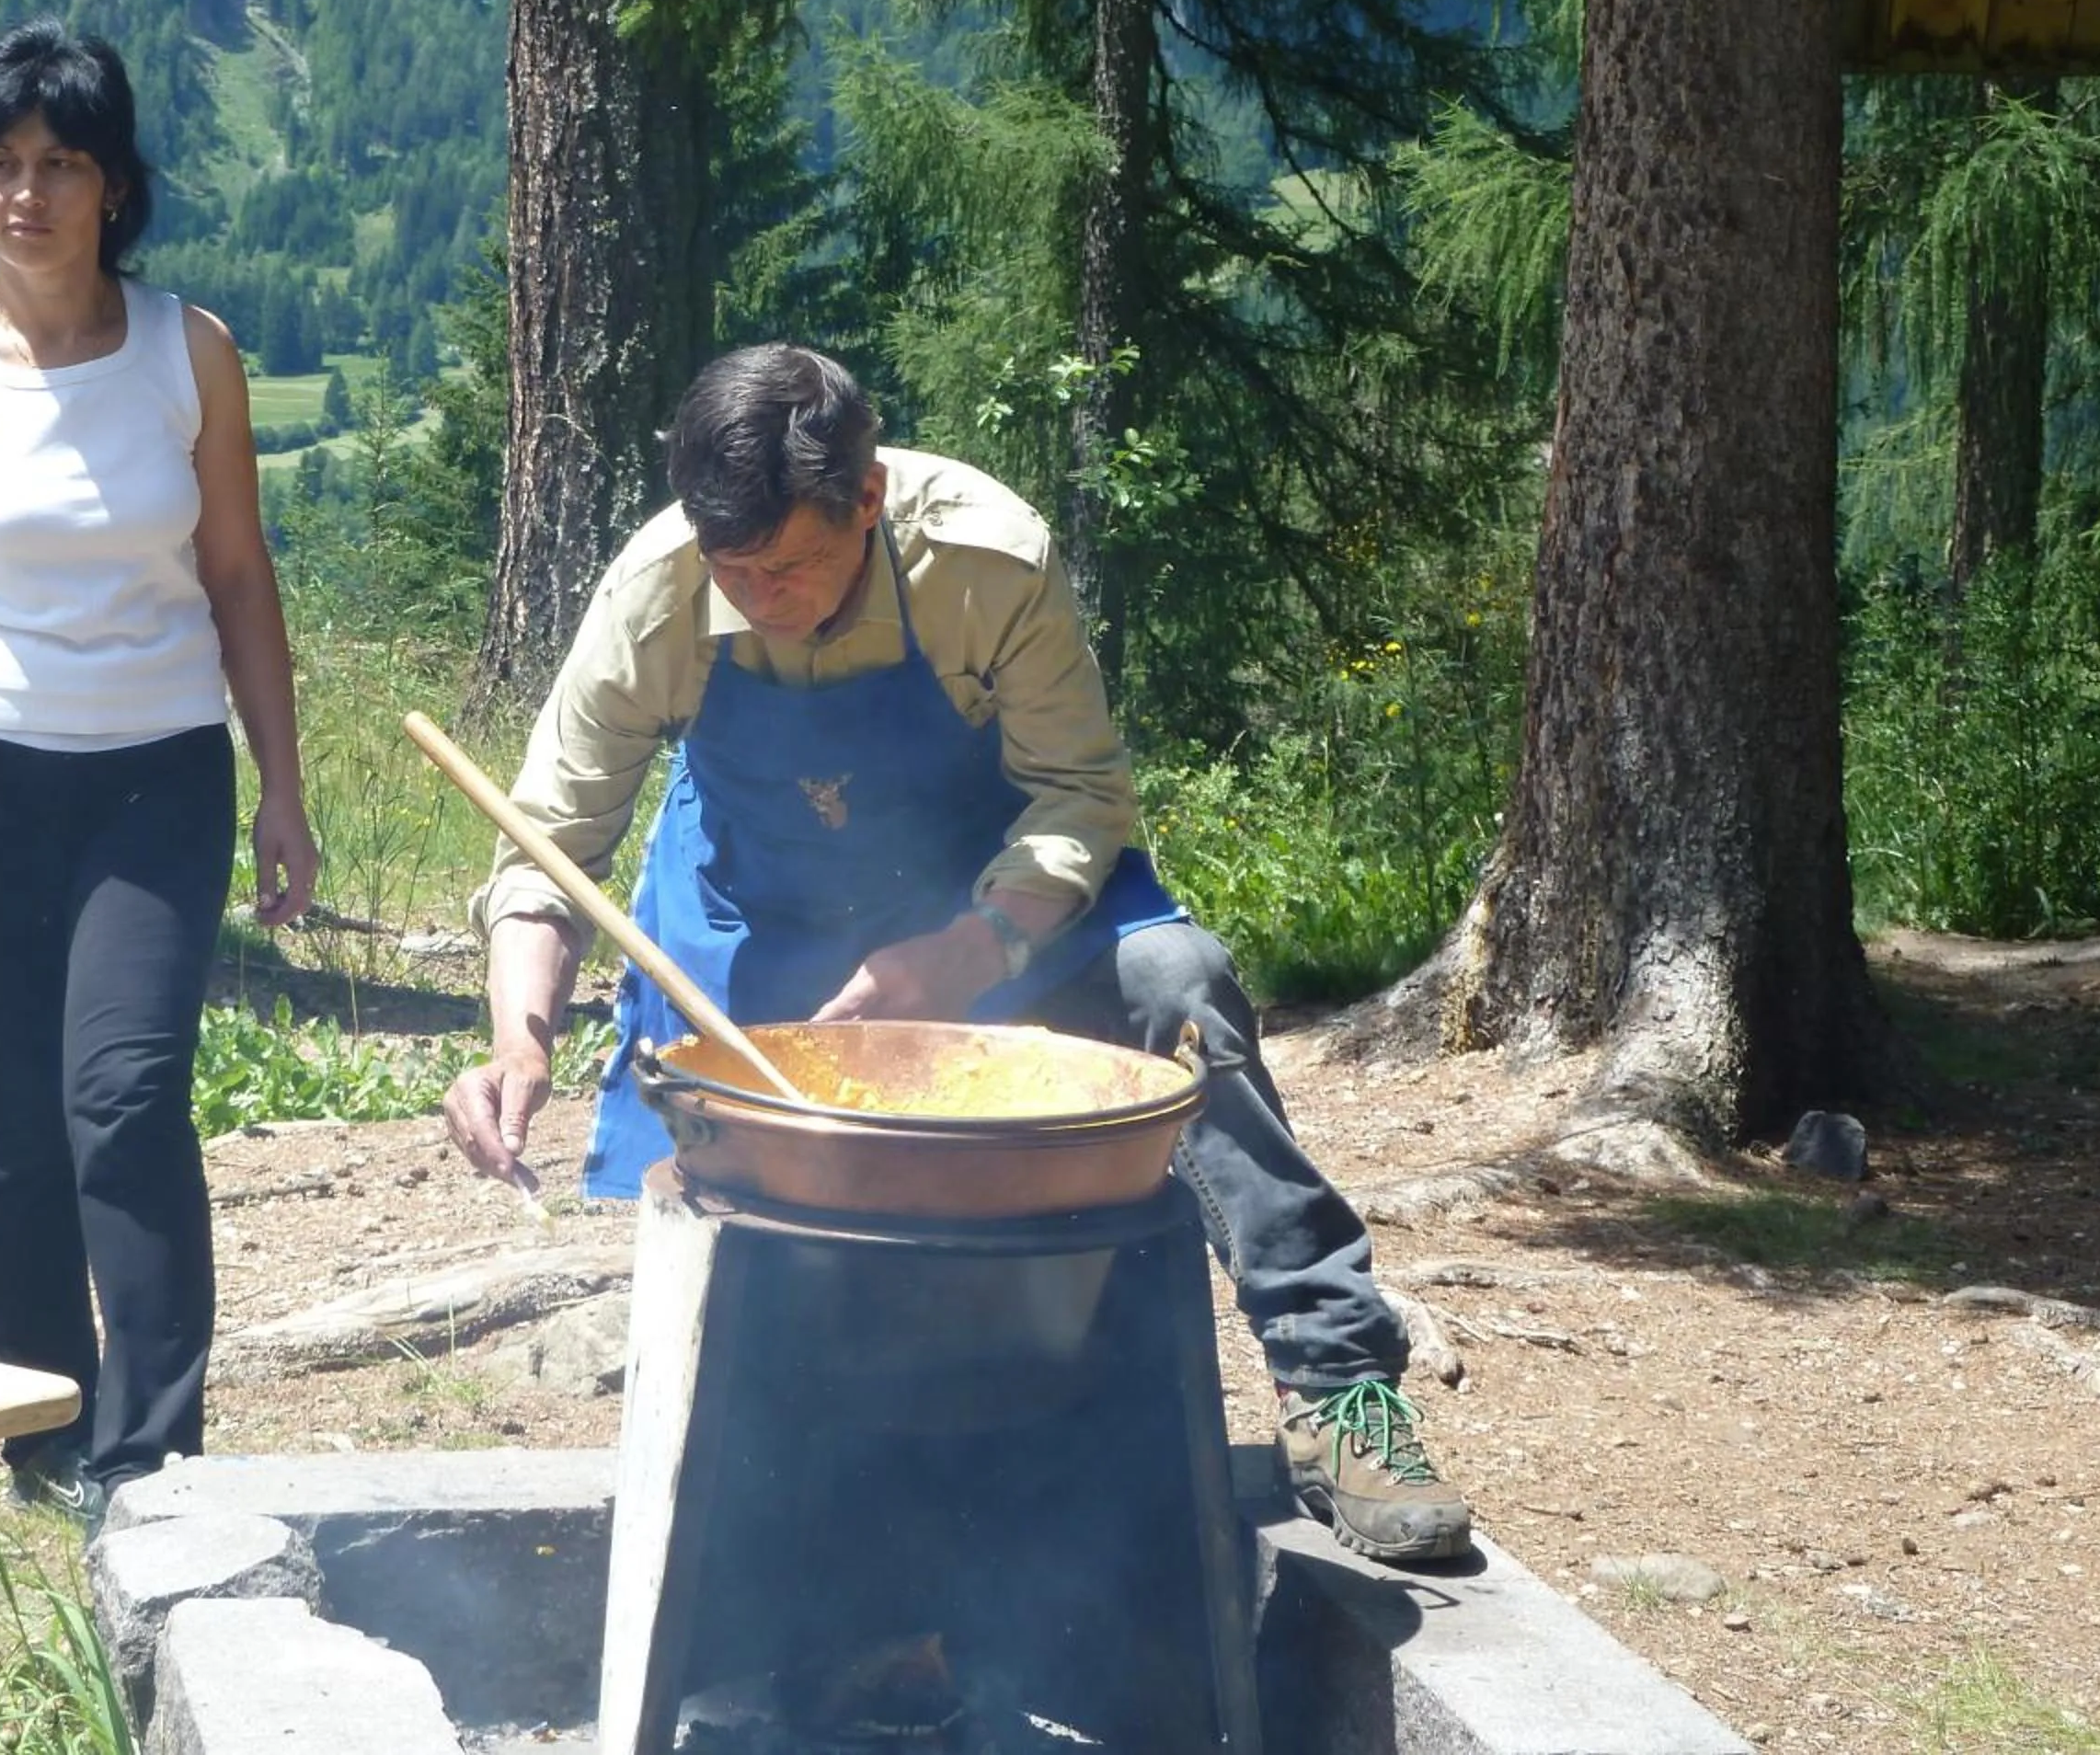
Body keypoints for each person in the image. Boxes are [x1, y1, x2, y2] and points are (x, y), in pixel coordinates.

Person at [439, 343, 1471, 1566]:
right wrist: (519, 1040)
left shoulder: (987, 557)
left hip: (1004, 903)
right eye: (734, 570)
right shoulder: (655, 592)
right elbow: (548, 846)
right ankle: (788, 1505)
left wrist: (969, 951)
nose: (760, 597)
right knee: (758, 1175)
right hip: (765, 923)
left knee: (1176, 985)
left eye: (791, 568)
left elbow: (1080, 796)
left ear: (867, 498)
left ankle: (1337, 1382)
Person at [0, 20, 319, 1530]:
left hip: (154, 780)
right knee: (9, 1120)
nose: (27, 195)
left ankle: (155, 1453)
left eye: (60, 165)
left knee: (126, 1095)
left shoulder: (191, 353)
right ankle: (48, 1431)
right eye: (0, 164)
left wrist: (284, 788)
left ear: (114, 185)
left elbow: (238, 577)